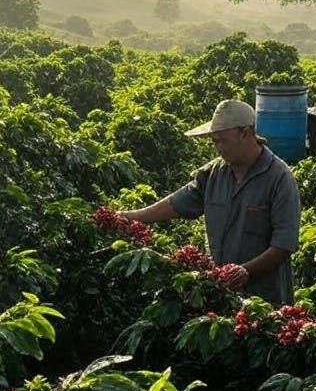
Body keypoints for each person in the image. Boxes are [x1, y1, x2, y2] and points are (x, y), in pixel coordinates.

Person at [120, 99, 301, 305]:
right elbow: (176, 203)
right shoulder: (214, 173)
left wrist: (245, 271)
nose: (218, 148)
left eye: (222, 140)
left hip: (266, 300)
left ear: (246, 133)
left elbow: (283, 246)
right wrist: (131, 217)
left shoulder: (279, 178)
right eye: (215, 141)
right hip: (220, 294)